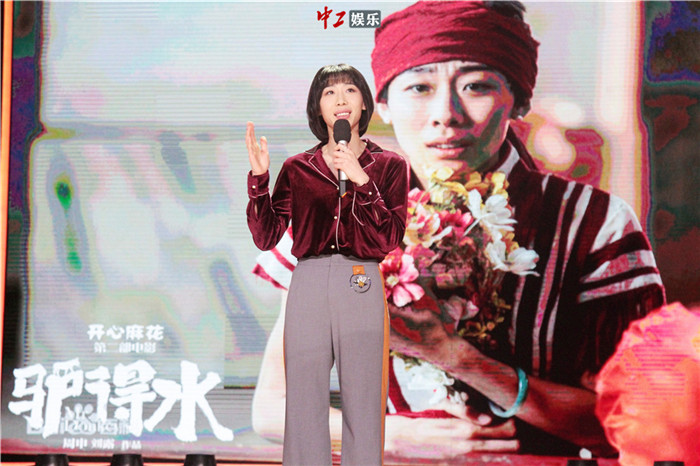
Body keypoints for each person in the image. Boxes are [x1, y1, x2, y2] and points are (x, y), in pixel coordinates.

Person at [251, 1, 666, 460]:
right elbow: (271, 409)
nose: (446, 114)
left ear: (518, 100)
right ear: (381, 105)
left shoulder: (595, 224)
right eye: (419, 87)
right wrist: (393, 435)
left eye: (476, 85)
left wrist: (457, 356)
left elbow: (645, 423)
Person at [245, 63, 409, 465]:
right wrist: (260, 180)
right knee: (304, 399)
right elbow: (266, 237)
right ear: (317, 108)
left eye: (350, 90)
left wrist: (360, 180)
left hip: (362, 279)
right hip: (309, 280)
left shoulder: (390, 165)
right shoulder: (297, 168)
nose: (340, 99)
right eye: (329, 92)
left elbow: (389, 238)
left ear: (364, 103)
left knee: (364, 399)